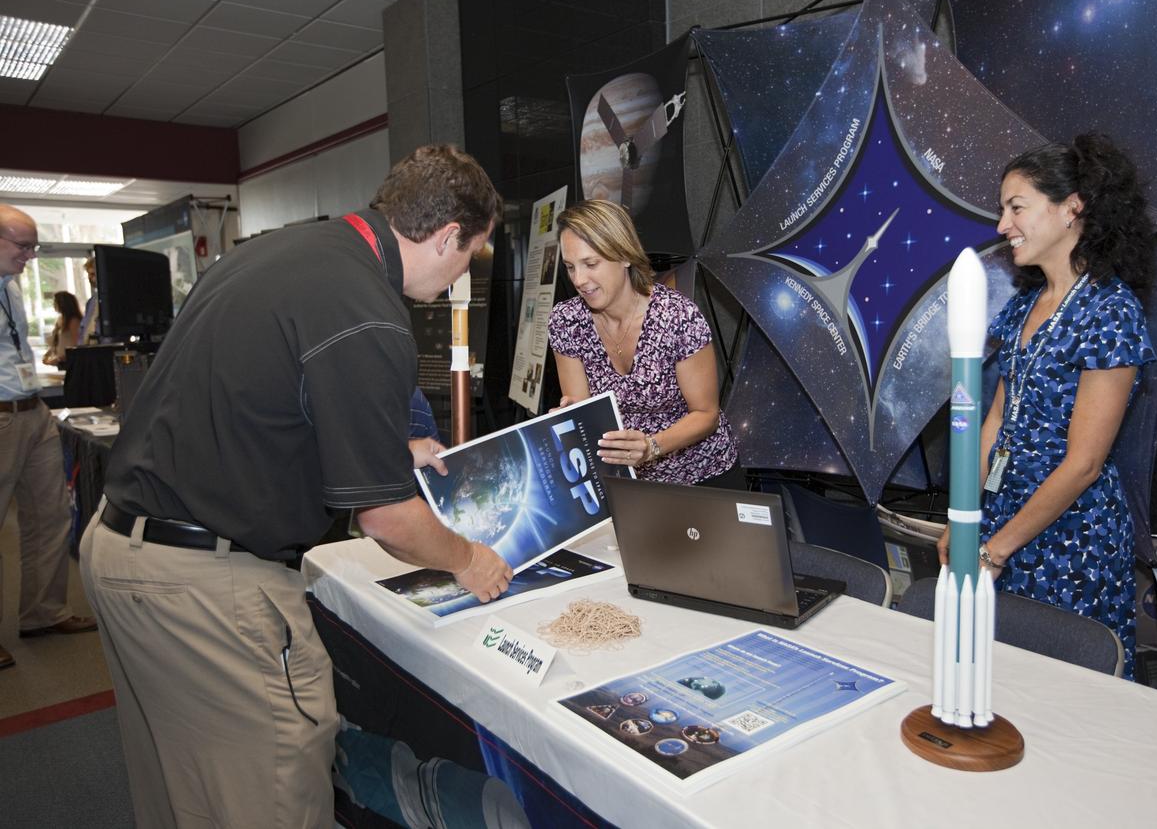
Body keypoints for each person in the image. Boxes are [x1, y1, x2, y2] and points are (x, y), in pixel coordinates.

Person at [78, 145, 513, 828]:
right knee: (271, 794)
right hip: (208, 588)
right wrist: (468, 558)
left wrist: (393, 445)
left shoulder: (285, 253)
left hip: (123, 549)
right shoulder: (369, 310)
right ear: (448, 236)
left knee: (185, 796)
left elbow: (261, 402)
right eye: (471, 257)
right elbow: (387, 518)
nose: (463, 276)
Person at [936, 133, 1156, 679]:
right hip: (1004, 519)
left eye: (1017, 207)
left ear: (1071, 208)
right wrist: (964, 519)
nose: (1001, 226)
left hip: (1071, 537)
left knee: (1059, 691)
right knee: (993, 675)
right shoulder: (1024, 307)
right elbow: (993, 423)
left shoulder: (1111, 312)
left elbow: (1084, 462)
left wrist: (994, 551)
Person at [547, 199, 741, 487]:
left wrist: (652, 446)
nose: (579, 279)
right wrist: (573, 418)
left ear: (625, 256)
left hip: (704, 476)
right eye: (570, 267)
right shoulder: (566, 322)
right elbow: (585, 412)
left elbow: (706, 414)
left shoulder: (677, 316)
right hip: (632, 484)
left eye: (590, 264)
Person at [0, 205, 98, 672]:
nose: (31, 256)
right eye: (23, 246)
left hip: (32, 411)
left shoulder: (12, 286)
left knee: (50, 516)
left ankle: (43, 612)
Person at [41, 290, 82, 368]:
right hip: (61, 361)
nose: (53, 305)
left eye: (55, 302)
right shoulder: (60, 319)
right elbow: (57, 341)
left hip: (70, 361)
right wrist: (48, 354)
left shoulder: (74, 321)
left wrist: (60, 358)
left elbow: (76, 344)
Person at [77, 256, 98, 345]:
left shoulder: (112, 300)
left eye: (93, 274)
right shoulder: (91, 302)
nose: (89, 278)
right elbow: (83, 330)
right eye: (88, 274)